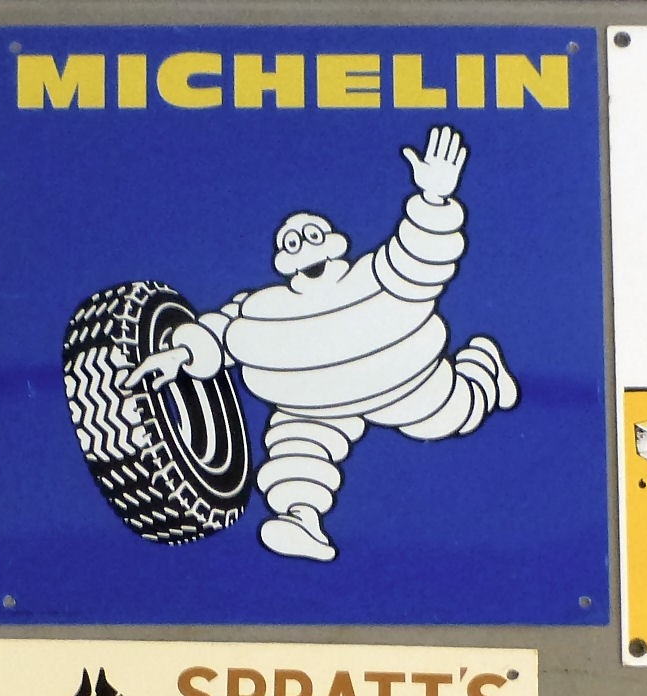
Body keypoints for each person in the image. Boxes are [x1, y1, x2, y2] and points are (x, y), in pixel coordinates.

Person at [125, 125, 517, 562]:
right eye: (291, 243)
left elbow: (419, 255)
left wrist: (433, 199)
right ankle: (301, 520)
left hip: (405, 383)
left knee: (450, 415)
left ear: (333, 245)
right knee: (296, 452)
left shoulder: (376, 277)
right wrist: (182, 354)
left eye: (311, 236)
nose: (303, 250)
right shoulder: (263, 309)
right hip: (312, 405)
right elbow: (222, 332)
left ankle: (484, 367)